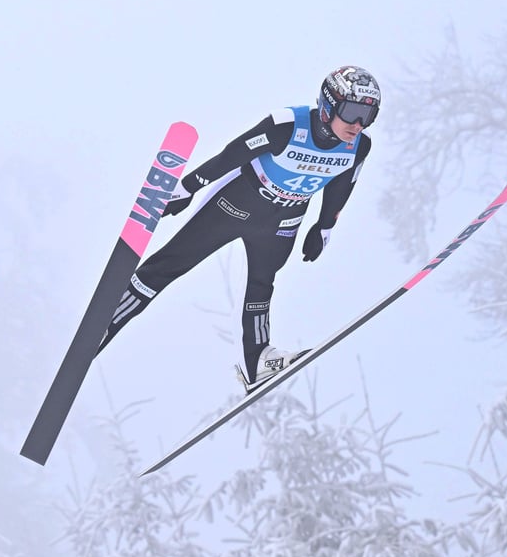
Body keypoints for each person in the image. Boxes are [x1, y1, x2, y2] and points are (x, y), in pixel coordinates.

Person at [97, 65, 380, 394]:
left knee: (262, 284)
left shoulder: (359, 146)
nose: (358, 124)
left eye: (368, 116)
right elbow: (231, 155)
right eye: (352, 112)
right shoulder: (286, 126)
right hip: (236, 203)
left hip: (284, 219)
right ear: (329, 105)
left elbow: (342, 185)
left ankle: (257, 360)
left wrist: (324, 227)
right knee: (170, 263)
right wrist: (189, 187)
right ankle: (105, 323)